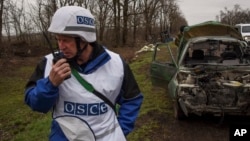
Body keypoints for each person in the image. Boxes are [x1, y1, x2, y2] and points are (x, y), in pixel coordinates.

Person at [24, 6, 143, 141]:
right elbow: (35, 104)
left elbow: (132, 99)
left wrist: (120, 130)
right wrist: (50, 84)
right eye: (58, 39)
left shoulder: (116, 63)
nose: (61, 46)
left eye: (66, 40)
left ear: (84, 39)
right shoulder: (48, 63)